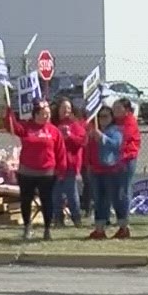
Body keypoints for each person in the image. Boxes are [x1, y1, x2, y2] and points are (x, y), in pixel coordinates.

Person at [6, 98, 62, 242]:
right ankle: (27, 227)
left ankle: (47, 229)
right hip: (27, 172)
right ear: (36, 114)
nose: (47, 116)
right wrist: (8, 113)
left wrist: (61, 169)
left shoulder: (54, 131)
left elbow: (60, 151)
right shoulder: (26, 128)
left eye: (48, 113)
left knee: (47, 201)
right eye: (44, 113)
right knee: (26, 200)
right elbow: (12, 127)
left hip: (47, 172)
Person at [87, 105, 126, 240]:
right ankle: (99, 229)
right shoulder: (93, 131)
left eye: (105, 116)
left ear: (111, 118)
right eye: (100, 116)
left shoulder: (116, 130)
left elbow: (116, 144)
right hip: (96, 171)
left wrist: (102, 138)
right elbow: (89, 150)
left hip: (112, 170)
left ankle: (123, 228)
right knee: (99, 200)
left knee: (116, 199)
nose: (102, 119)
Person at [50, 98, 87, 230]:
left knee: (72, 194)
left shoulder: (76, 125)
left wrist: (69, 136)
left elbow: (82, 142)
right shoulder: (53, 125)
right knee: (56, 194)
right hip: (55, 165)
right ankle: (58, 219)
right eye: (63, 108)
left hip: (70, 165)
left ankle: (76, 219)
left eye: (68, 108)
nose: (66, 110)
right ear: (58, 110)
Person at [111, 96, 142, 240]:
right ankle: (121, 222)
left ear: (126, 110)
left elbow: (122, 140)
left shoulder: (129, 122)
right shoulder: (114, 122)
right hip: (114, 161)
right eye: (114, 108)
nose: (115, 111)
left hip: (126, 160)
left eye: (118, 108)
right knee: (116, 192)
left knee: (123, 191)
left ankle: (125, 223)